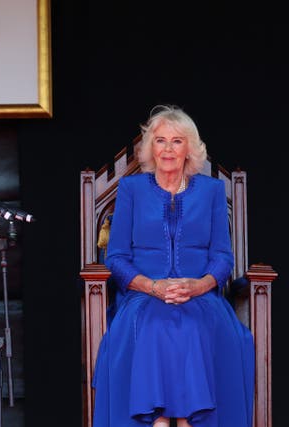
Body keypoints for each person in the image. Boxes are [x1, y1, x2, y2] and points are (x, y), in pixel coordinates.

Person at [92, 105, 254, 427]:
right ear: (150, 147)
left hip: (202, 296)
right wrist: (153, 286)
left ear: (190, 149)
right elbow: (117, 257)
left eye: (176, 141)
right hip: (143, 296)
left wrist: (199, 285)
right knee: (155, 327)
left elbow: (223, 257)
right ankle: (163, 420)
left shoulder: (211, 191)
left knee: (192, 327)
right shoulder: (131, 190)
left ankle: (179, 421)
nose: (167, 149)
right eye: (160, 140)